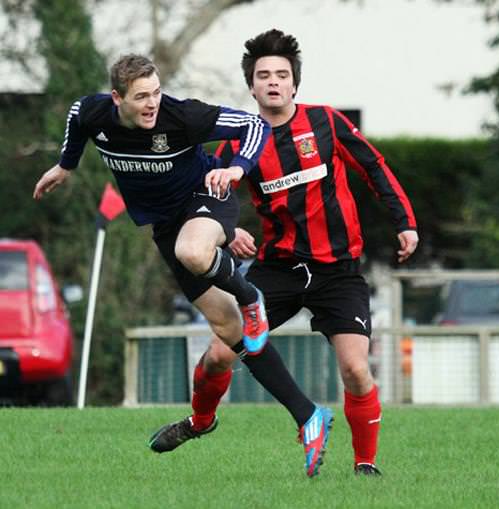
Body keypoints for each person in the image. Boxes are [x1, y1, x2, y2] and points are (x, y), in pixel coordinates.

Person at [33, 54, 333, 477]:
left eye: (156, 92)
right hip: (166, 226)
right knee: (229, 332)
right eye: (141, 97)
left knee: (193, 253)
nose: (152, 103)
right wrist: (66, 164)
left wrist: (235, 168)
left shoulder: (183, 116)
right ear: (118, 97)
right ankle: (306, 417)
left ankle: (250, 297)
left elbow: (255, 126)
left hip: (208, 197)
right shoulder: (96, 111)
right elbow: (77, 115)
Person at [160, 29, 419, 476]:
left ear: (294, 83)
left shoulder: (327, 123)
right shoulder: (239, 140)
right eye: (264, 75)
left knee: (357, 370)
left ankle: (365, 466)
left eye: (281, 74)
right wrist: (229, 229)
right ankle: (201, 420)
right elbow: (207, 198)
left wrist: (405, 222)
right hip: (277, 269)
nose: (273, 82)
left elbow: (374, 167)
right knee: (220, 353)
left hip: (337, 271)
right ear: (252, 86)